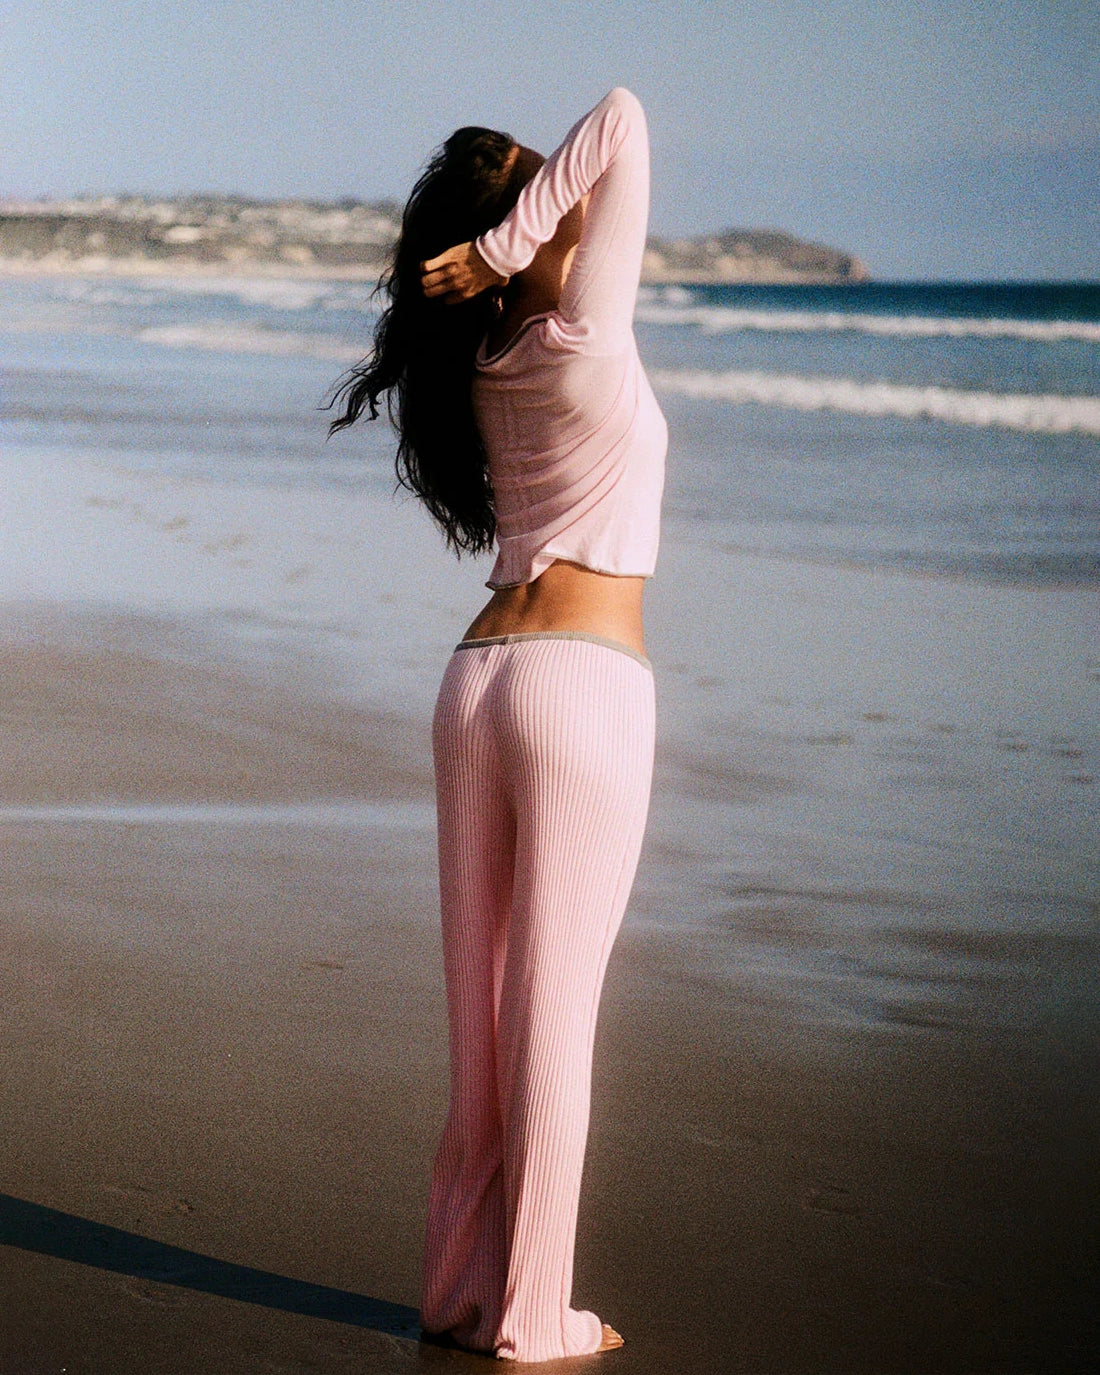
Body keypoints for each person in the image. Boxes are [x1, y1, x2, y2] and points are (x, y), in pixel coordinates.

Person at [328, 86, 667, 1363]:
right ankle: (532, 1312)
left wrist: (500, 244)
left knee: (479, 1025)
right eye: (545, 203)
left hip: (474, 683)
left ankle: (456, 1291)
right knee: (553, 1021)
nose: (574, 213)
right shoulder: (581, 329)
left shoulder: (477, 361)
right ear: (515, 230)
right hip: (581, 689)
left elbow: (593, 159)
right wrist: (525, 235)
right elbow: (624, 117)